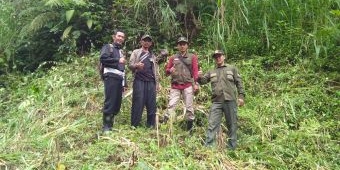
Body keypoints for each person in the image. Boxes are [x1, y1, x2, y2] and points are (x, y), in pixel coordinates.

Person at [198, 50, 245, 150]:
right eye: (216, 57)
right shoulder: (211, 71)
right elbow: (202, 81)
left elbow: (239, 83)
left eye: (219, 56)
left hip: (230, 100)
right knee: (212, 124)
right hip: (217, 101)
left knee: (232, 124)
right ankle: (209, 148)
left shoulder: (232, 68)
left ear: (224, 57)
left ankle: (232, 148)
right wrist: (198, 76)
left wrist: (241, 96)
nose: (218, 58)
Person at [162, 36, 199, 132]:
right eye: (180, 44)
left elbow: (195, 71)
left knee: (189, 107)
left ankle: (189, 130)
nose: (182, 46)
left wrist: (196, 84)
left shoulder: (192, 57)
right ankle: (163, 127)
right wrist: (170, 70)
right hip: (175, 86)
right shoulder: (173, 58)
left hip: (187, 85)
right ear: (177, 46)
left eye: (184, 44)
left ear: (187, 46)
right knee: (171, 105)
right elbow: (166, 72)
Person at [128, 34, 160, 128]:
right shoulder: (136, 52)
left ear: (150, 43)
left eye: (148, 41)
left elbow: (155, 71)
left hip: (151, 82)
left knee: (151, 103)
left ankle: (151, 125)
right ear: (141, 42)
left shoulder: (152, 56)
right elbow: (130, 65)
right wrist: (136, 65)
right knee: (138, 101)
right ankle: (134, 124)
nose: (146, 42)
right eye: (144, 40)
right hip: (139, 80)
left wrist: (157, 83)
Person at [100, 29, 127, 133]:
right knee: (110, 101)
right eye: (119, 36)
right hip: (110, 76)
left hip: (119, 79)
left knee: (117, 103)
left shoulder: (121, 51)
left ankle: (110, 124)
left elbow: (123, 69)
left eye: (122, 37)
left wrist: (125, 83)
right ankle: (106, 127)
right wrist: (117, 60)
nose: (120, 38)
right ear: (114, 37)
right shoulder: (108, 47)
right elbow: (103, 58)